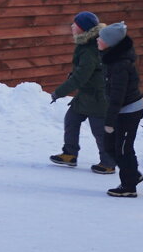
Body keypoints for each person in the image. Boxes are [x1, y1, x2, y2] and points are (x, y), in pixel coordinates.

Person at [49, 12, 116, 174]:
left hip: (97, 97)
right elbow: (84, 72)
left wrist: (59, 92)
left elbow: (81, 77)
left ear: (83, 29)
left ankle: (108, 163)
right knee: (71, 120)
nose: (72, 26)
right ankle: (70, 154)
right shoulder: (86, 44)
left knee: (99, 131)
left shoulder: (89, 50)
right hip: (85, 95)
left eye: (75, 25)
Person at [99, 21, 143, 197]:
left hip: (129, 110)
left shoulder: (121, 64)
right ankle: (132, 174)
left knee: (124, 149)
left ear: (111, 43)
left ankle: (129, 187)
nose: (98, 40)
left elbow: (118, 95)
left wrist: (110, 121)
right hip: (120, 109)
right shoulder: (111, 56)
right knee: (109, 146)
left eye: (101, 38)